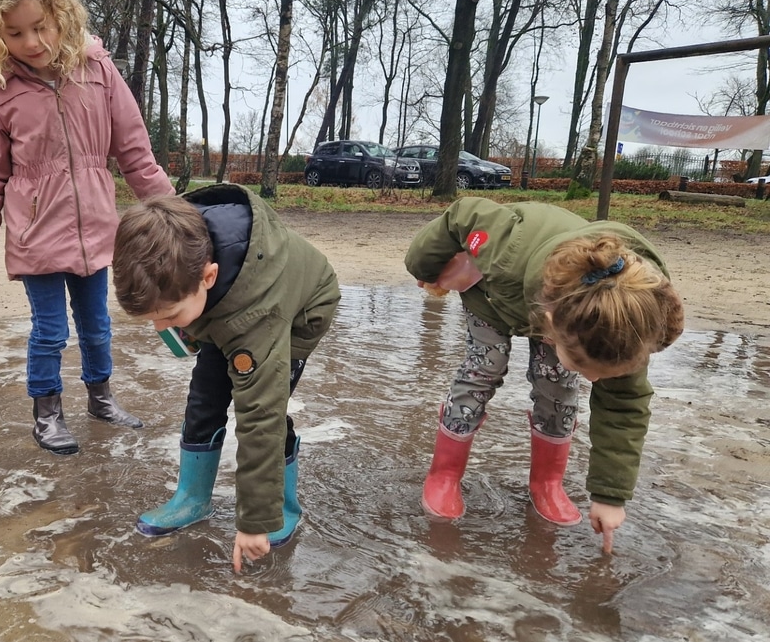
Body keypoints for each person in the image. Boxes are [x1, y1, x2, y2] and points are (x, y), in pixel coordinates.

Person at [0, 0, 174, 455]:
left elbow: (136, 153)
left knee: (98, 325)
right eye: (15, 33)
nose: (32, 42)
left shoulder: (97, 69)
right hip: (35, 233)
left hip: (97, 228)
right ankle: (48, 413)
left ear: (62, 17)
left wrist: (171, 213)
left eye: (41, 27)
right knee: (51, 330)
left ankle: (101, 399)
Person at [405, 197, 684, 553]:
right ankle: (444, 474)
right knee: (484, 368)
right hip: (495, 293)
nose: (595, 382)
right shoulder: (504, 252)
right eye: (586, 368)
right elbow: (464, 213)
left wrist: (610, 495)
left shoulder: (628, 325)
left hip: (568, 299)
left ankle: (547, 483)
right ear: (550, 330)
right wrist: (425, 267)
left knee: (557, 381)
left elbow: (625, 403)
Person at [112, 184, 341, 573]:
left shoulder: (258, 319)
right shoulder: (180, 251)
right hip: (225, 309)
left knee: (264, 401)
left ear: (208, 275)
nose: (159, 329)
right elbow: (180, 303)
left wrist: (254, 522)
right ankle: (192, 497)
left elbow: (261, 416)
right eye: (153, 318)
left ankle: (280, 509)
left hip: (295, 315)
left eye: (168, 316)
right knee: (205, 397)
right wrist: (181, 319)